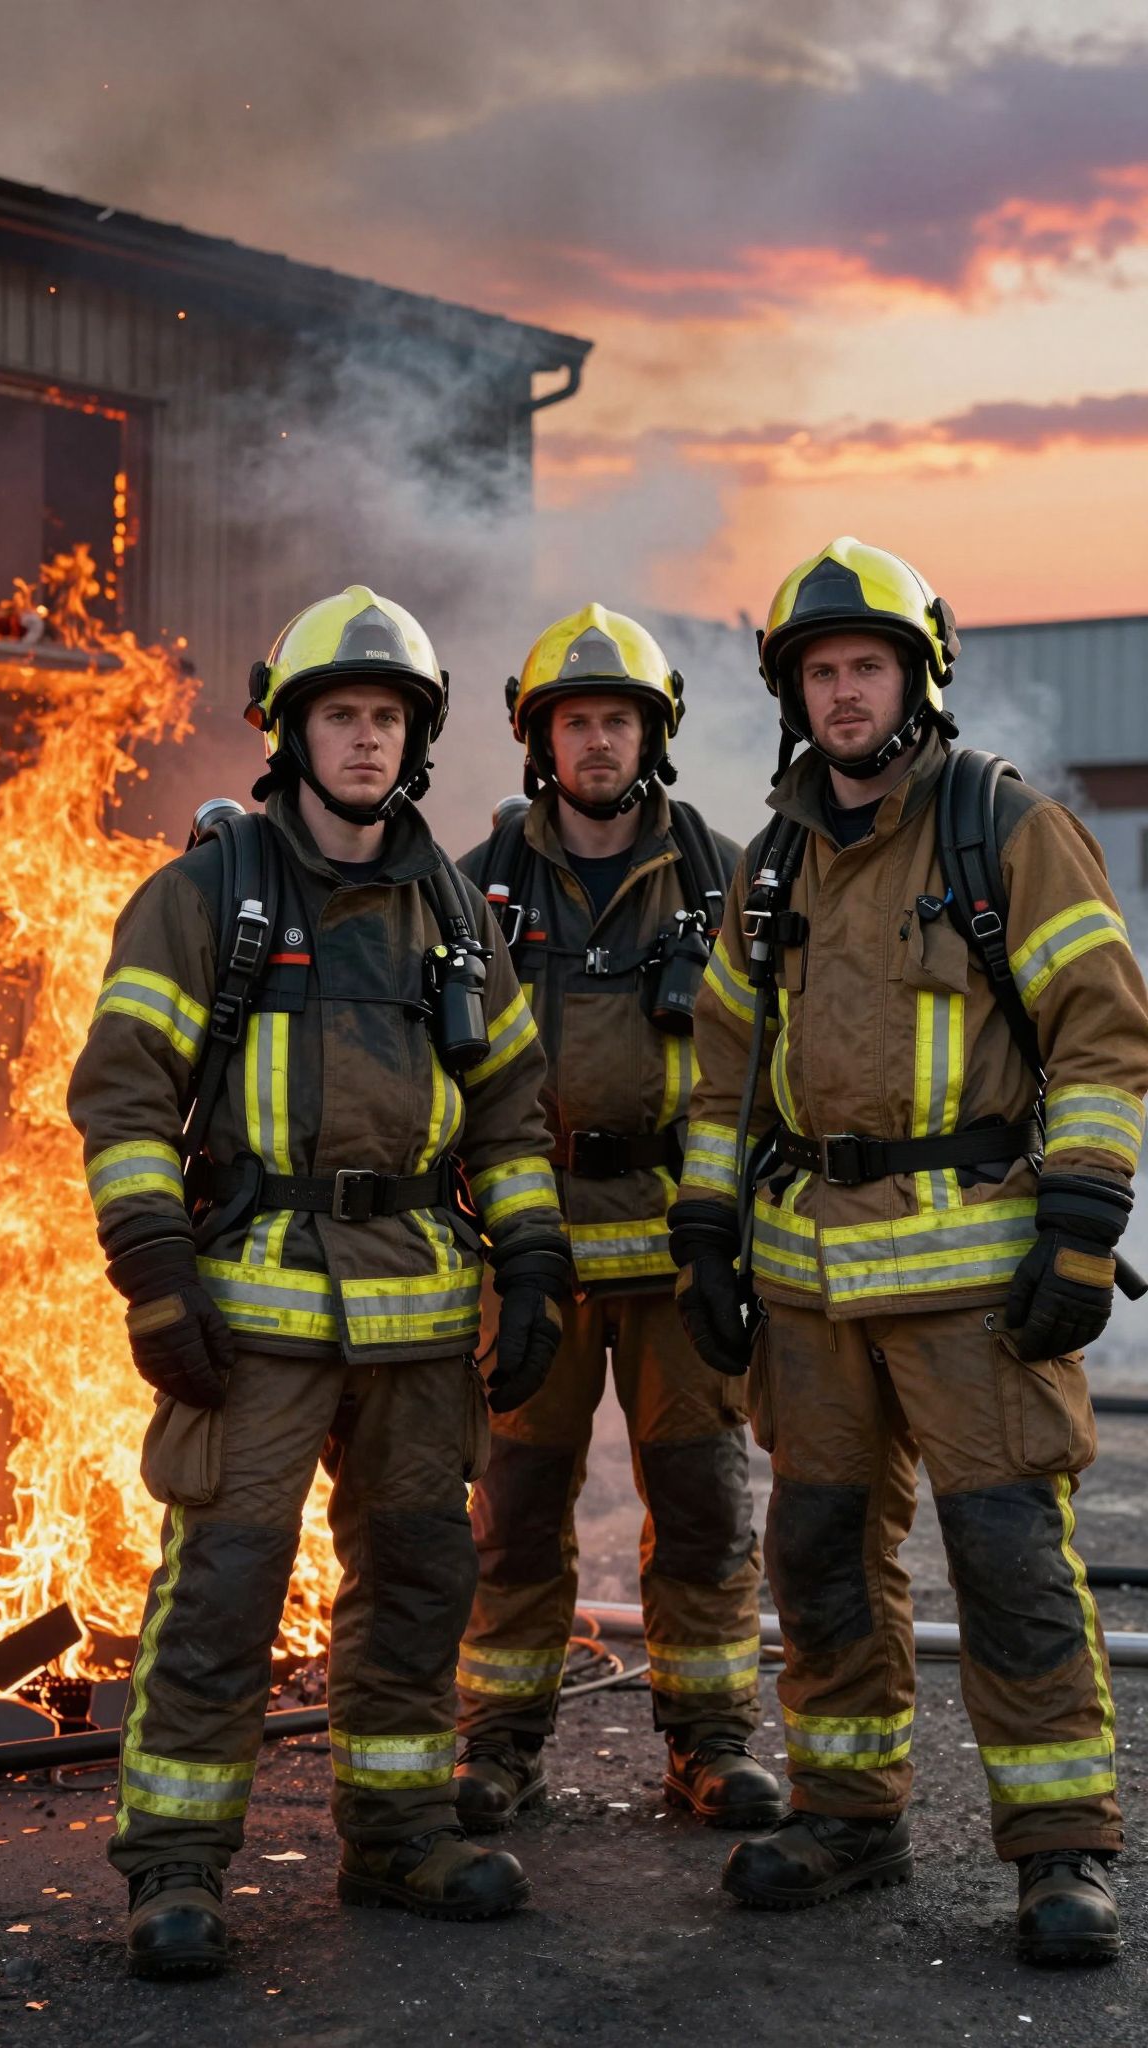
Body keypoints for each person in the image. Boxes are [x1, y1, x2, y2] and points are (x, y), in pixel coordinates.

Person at [67, 586, 571, 1978]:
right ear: (288, 734)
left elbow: (512, 1107)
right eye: (340, 714)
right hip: (255, 1307)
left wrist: (529, 1261)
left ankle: (400, 1829)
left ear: (416, 741)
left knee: (417, 1575)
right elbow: (122, 1098)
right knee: (227, 1579)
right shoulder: (203, 897)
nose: (364, 739)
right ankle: (175, 1863)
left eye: (387, 718)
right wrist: (155, 1269)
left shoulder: (453, 910)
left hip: (419, 1306)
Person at [669, 538, 1148, 1964]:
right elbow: (722, 1070)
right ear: (792, 694)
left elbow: (1105, 1033)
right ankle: (848, 1816)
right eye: (820, 672)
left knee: (1005, 1556)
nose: (844, 692)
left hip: (976, 1289)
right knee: (816, 1550)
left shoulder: (1004, 828)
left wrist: (1080, 1225)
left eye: (867, 665)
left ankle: (1062, 1851)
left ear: (917, 678)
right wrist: (707, 1229)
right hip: (811, 1288)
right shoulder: (769, 864)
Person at [453, 602, 776, 1833]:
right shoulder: (476, 887)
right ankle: (499, 1740)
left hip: (677, 1240)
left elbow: (754, 1063)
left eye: (619, 720)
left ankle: (709, 1738)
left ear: (655, 735)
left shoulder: (728, 877)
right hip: (523, 1250)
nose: (599, 740)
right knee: (515, 1503)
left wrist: (723, 1227)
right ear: (541, 740)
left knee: (699, 1500)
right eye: (577, 721)